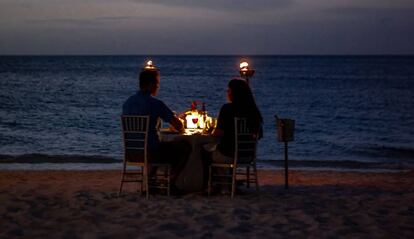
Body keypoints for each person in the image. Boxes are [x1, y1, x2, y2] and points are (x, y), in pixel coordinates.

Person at [122, 68, 191, 191]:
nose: (157, 87)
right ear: (150, 85)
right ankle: (171, 183)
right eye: (157, 84)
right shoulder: (156, 104)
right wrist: (180, 119)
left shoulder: (127, 103)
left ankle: (151, 182)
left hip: (132, 153)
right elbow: (178, 126)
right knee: (184, 147)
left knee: (156, 144)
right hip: (150, 153)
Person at [202, 78, 263, 190]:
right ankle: (228, 181)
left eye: (229, 91)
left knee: (202, 153)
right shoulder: (254, 112)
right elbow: (259, 135)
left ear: (234, 93)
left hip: (228, 155)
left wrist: (209, 133)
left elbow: (218, 133)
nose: (227, 93)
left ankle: (210, 185)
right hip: (247, 156)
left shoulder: (227, 109)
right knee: (218, 151)